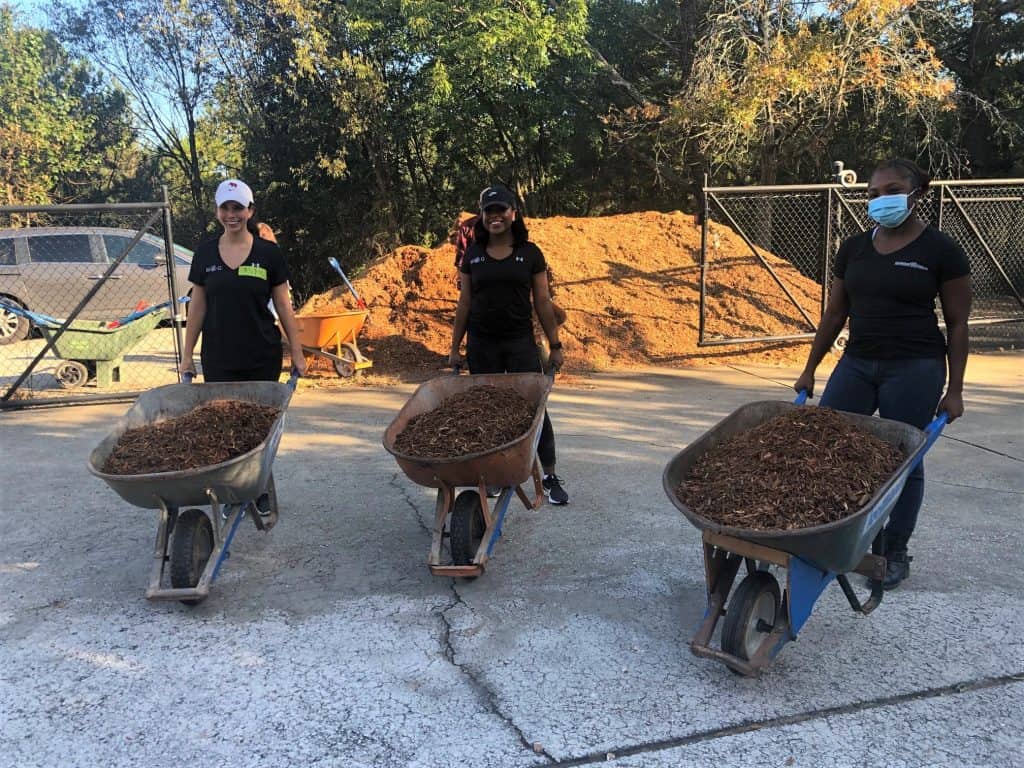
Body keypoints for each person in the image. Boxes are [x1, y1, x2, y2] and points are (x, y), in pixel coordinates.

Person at [794, 158, 971, 589]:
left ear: (917, 194)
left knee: (902, 459)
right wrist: (809, 369)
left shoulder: (942, 251)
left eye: (892, 190)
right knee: (826, 444)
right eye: (873, 193)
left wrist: (955, 390)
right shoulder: (853, 248)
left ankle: (893, 551)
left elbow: (959, 323)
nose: (880, 200)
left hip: (914, 368)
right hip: (856, 363)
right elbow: (835, 312)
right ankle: (827, 536)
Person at [449, 185, 569, 505]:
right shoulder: (472, 255)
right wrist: (454, 349)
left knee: (534, 410)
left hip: (520, 343)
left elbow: (542, 301)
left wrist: (555, 344)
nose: (495, 216)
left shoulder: (530, 253)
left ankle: (550, 475)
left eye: (501, 209)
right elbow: (464, 304)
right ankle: (494, 475)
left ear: (513, 213)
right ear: (482, 217)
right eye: (489, 211)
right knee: (486, 411)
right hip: (482, 343)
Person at [181, 179, 307, 383]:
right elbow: (197, 308)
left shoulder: (269, 253)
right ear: (217, 211)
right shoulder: (204, 254)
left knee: (263, 414)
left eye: (238, 208)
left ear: (250, 210)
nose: (231, 215)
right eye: (225, 208)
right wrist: (187, 356)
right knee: (221, 415)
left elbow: (283, 306)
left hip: (262, 358)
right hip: (218, 359)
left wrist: (297, 351)